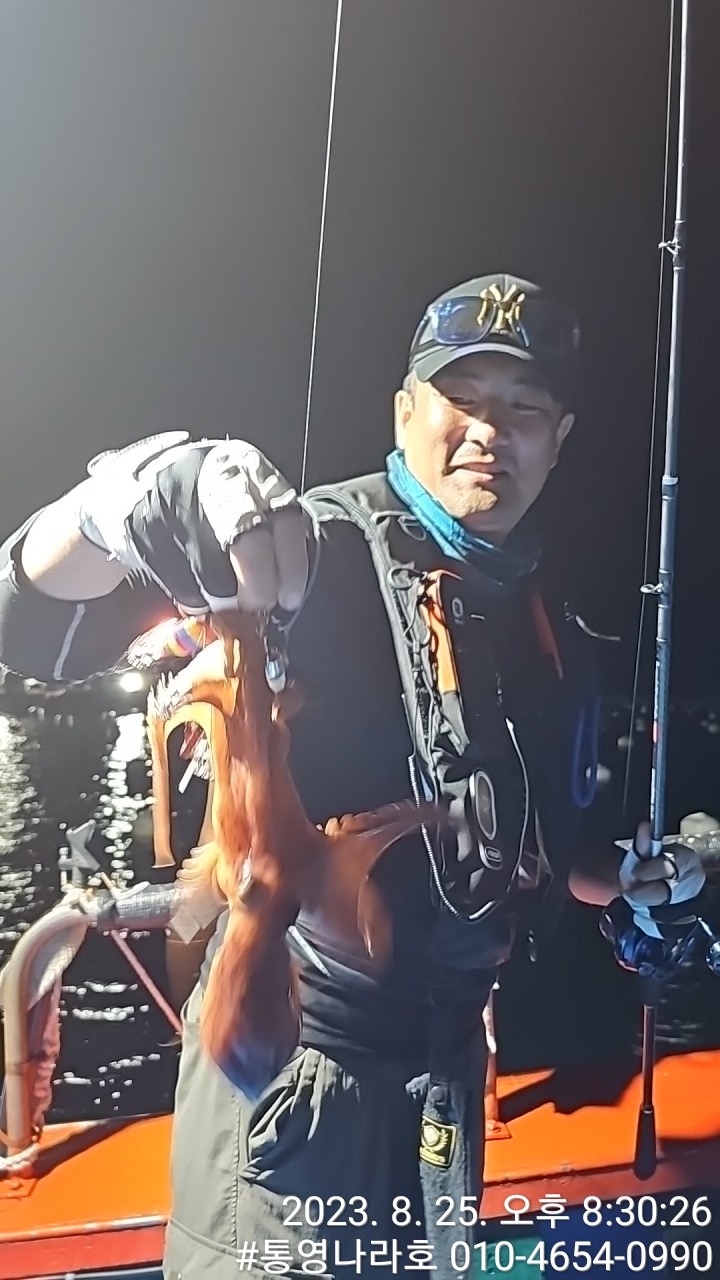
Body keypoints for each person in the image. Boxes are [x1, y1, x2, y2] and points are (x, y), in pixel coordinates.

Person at [0, 274, 703, 1279]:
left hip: (447, 1083)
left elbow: (552, 845)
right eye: (462, 398)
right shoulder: (312, 553)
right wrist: (121, 503)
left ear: (559, 437)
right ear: (404, 411)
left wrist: (628, 880)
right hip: (295, 1081)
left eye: (524, 408)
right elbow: (31, 628)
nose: (489, 432)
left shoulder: (542, 618)